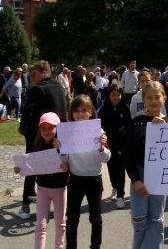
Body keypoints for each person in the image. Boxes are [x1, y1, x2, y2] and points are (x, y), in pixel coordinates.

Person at [57, 95, 111, 249]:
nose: (80, 114)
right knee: (72, 218)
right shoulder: (67, 131)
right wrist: (61, 150)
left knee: (96, 218)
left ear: (91, 113)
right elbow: (64, 161)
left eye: (84, 111)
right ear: (72, 113)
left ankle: (95, 246)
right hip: (75, 179)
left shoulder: (98, 131)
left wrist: (101, 147)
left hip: (94, 179)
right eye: (76, 111)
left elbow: (106, 158)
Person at [125, 81, 168, 249]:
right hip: (140, 177)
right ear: (143, 99)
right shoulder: (136, 123)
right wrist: (135, 180)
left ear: (164, 98)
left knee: (156, 220)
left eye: (157, 97)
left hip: (160, 178)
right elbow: (128, 155)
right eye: (149, 97)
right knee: (139, 221)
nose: (154, 101)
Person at [19, 60, 67, 220]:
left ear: (44, 72)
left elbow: (27, 110)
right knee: (56, 165)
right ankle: (55, 199)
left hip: (40, 132)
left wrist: (23, 128)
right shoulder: (59, 86)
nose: (32, 78)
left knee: (31, 164)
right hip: (58, 132)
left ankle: (25, 204)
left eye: (34, 75)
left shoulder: (37, 88)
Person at [14, 112, 69, 249]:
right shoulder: (36, 145)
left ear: (58, 128)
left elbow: (68, 166)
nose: (47, 131)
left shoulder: (63, 145)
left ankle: (59, 247)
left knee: (60, 223)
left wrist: (61, 151)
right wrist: (20, 168)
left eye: (51, 128)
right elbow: (30, 166)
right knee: (40, 224)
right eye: (43, 128)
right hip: (42, 190)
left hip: (60, 189)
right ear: (39, 129)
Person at [98, 84, 131, 209]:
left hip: (122, 145)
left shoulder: (125, 108)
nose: (116, 97)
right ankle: (115, 187)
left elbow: (129, 125)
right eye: (113, 95)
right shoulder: (103, 110)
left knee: (120, 169)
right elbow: (99, 127)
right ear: (109, 95)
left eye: (118, 95)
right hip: (109, 145)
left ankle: (120, 196)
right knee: (112, 169)